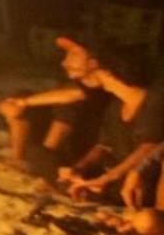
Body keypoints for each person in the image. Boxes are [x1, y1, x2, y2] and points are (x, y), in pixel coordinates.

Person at [0, 37, 111, 180]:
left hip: (84, 151)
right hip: (64, 145)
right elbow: (11, 105)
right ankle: (19, 159)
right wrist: (13, 105)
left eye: (74, 55)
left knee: (66, 106)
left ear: (93, 63)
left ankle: (45, 161)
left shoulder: (102, 90)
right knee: (25, 97)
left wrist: (23, 102)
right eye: (66, 56)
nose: (64, 62)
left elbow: (71, 95)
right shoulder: (74, 84)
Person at [57, 50, 161, 208]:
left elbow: (148, 148)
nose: (92, 74)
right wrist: (79, 168)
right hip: (118, 174)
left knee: (117, 189)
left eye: (97, 70)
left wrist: (108, 178)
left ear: (110, 73)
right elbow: (103, 145)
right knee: (66, 176)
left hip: (143, 178)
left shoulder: (155, 103)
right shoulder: (116, 105)